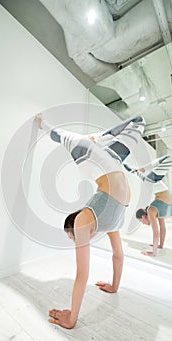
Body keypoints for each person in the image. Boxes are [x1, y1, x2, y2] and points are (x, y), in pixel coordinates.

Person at [35, 112, 146, 329]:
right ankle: (98, 138)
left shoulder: (83, 220)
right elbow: (118, 255)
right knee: (138, 123)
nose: (77, 239)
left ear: (73, 226)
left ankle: (43, 123)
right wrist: (114, 286)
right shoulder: (108, 224)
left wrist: (72, 318)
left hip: (89, 155)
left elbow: (82, 274)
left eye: (72, 236)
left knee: (63, 137)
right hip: (109, 161)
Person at [136, 179, 172, 257]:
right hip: (164, 199)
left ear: (143, 216)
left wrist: (153, 253)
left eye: (141, 221)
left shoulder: (150, 211)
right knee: (162, 224)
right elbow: (162, 227)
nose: (143, 224)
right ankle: (161, 245)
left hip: (162, 198)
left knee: (145, 177)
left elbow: (156, 233)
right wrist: (160, 245)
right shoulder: (154, 210)